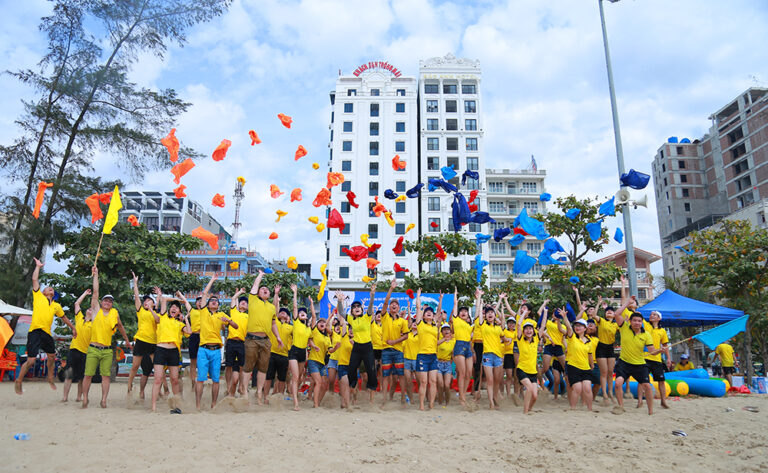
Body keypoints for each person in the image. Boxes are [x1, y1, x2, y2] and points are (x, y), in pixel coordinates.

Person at [16, 258, 76, 395]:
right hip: (35, 331)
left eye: (52, 288)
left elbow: (64, 317)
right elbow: (34, 280)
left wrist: (73, 328)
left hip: (46, 333)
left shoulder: (56, 305)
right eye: (48, 287)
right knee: (31, 360)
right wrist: (38, 266)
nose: (50, 288)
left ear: (53, 294)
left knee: (52, 356)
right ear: (43, 292)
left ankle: (50, 378)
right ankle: (19, 381)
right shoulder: (38, 297)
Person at [82, 266, 132, 408]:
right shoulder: (96, 310)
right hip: (93, 348)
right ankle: (85, 398)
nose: (107, 302)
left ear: (112, 304)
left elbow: (121, 326)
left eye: (110, 301)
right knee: (88, 375)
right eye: (106, 300)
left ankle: (104, 400)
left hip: (107, 350)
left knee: (106, 376)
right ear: (102, 302)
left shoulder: (114, 313)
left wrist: (127, 340)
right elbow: (96, 292)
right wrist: (96, 274)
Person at [612, 297, 664, 415]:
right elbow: (616, 314)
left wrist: (659, 350)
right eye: (634, 320)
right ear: (630, 321)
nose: (637, 323)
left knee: (647, 386)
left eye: (639, 321)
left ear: (642, 323)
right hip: (624, 363)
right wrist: (627, 303)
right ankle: (620, 406)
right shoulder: (624, 327)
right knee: (618, 383)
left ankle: (650, 411)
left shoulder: (646, 335)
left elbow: (652, 351)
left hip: (639, 364)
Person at [195, 275, 237, 410]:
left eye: (216, 301)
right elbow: (204, 294)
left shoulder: (221, 315)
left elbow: (235, 326)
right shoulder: (203, 312)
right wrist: (212, 280)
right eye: (211, 300)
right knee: (200, 378)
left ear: (218, 305)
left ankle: (213, 404)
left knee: (216, 380)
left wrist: (228, 321)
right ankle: (198, 405)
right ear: (207, 304)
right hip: (203, 349)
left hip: (216, 350)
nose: (213, 301)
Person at [244, 270, 283, 405]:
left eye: (267, 289)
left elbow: (273, 323)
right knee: (248, 367)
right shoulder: (253, 300)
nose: (265, 290)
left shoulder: (271, 307)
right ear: (258, 293)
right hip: (252, 338)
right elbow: (255, 287)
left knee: (263, 368)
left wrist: (278, 337)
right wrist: (260, 275)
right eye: (262, 289)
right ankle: (244, 393)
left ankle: (259, 393)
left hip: (266, 341)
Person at [150, 290, 191, 413]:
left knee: (174, 379)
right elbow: (163, 300)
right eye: (172, 307)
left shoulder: (179, 324)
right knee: (158, 379)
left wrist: (186, 319)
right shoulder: (162, 317)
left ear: (179, 312)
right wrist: (178, 301)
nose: (174, 309)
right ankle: (153, 407)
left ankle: (177, 406)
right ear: (169, 310)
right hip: (161, 349)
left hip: (173, 352)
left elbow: (189, 332)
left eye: (177, 308)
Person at [476, 289, 511, 410]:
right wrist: (480, 299)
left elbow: (504, 337)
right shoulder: (483, 325)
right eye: (488, 313)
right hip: (487, 356)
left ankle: (495, 399)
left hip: (498, 356)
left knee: (497, 380)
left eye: (492, 313)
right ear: (485, 315)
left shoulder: (498, 328)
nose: (490, 314)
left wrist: (508, 340)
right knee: (490, 380)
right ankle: (490, 402)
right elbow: (480, 312)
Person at [343, 285, 378, 404]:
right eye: (354, 307)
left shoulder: (367, 317)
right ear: (352, 311)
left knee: (371, 372)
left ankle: (371, 401)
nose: (357, 308)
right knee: (351, 371)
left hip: (367, 347)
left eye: (358, 307)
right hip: (357, 347)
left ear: (362, 310)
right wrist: (339, 300)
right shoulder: (351, 319)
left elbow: (370, 307)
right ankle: (354, 398)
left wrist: (372, 294)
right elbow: (341, 312)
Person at [127, 271, 158, 400]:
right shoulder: (140, 311)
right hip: (140, 340)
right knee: (134, 366)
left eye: (149, 300)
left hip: (152, 343)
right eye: (145, 300)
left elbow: (157, 320)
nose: (146, 301)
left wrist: (151, 308)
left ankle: (157, 392)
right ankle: (129, 388)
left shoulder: (156, 313)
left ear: (154, 304)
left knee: (156, 369)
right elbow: (136, 296)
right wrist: (135, 283)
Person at [380, 279, 411, 406]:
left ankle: (403, 397)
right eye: (392, 304)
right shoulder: (384, 316)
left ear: (398, 308)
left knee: (401, 375)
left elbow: (406, 336)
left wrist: (394, 341)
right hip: (386, 350)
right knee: (386, 376)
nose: (393, 305)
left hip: (398, 351)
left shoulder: (403, 321)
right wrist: (391, 289)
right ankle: (384, 399)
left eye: (396, 304)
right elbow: (386, 302)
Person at [285, 284, 315, 411]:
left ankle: (295, 393)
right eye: (300, 313)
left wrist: (312, 303)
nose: (302, 313)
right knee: (296, 377)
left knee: (301, 377)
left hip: (303, 353)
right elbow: (295, 307)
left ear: (306, 316)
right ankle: (295, 403)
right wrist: (295, 293)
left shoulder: (308, 329)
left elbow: (314, 317)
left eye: (304, 313)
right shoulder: (296, 322)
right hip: (294, 351)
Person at [61, 289, 93, 403]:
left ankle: (79, 397)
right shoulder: (79, 318)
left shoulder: (94, 324)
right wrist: (85, 294)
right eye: (88, 308)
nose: (90, 309)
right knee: (69, 375)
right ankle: (65, 397)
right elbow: (76, 304)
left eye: (92, 309)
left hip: (85, 353)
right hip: (74, 350)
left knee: (81, 378)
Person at [414, 289, 442, 410]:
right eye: (427, 312)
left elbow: (439, 312)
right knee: (424, 382)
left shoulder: (435, 324)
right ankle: (421, 404)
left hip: (433, 356)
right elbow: (418, 308)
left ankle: (431, 404)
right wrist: (418, 296)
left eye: (431, 311)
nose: (429, 313)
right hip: (422, 356)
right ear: (423, 315)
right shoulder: (420, 324)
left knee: (433, 382)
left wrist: (440, 300)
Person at [560, 313, 594, 411]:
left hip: (585, 367)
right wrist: (564, 316)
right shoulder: (572, 337)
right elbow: (568, 327)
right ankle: (573, 408)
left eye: (580, 326)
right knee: (577, 388)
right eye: (576, 326)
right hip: (573, 367)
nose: (577, 327)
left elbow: (590, 354)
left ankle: (590, 409)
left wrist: (591, 365)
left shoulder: (589, 341)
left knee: (587, 388)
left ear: (585, 328)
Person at [516, 310, 545, 414]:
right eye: (526, 329)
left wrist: (545, 312)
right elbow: (519, 324)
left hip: (533, 372)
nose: (528, 330)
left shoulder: (536, 339)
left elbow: (542, 326)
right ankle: (525, 412)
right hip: (522, 369)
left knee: (535, 396)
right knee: (528, 388)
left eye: (530, 328)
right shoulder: (520, 340)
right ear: (524, 331)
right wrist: (524, 313)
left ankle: (529, 409)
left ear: (533, 331)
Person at [640, 310, 670, 409]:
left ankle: (663, 401)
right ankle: (640, 401)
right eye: (651, 314)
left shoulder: (662, 331)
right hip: (645, 357)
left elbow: (665, 346)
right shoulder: (646, 325)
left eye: (654, 315)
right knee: (642, 380)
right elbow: (638, 314)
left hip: (657, 359)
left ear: (659, 318)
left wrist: (668, 358)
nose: (651, 316)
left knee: (661, 381)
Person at [449, 286, 474, 406]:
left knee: (469, 373)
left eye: (466, 311)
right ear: (458, 314)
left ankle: (463, 393)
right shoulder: (456, 321)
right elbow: (454, 306)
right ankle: (462, 398)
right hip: (459, 345)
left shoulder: (470, 326)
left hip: (468, 347)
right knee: (462, 372)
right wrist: (455, 295)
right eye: (461, 311)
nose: (463, 312)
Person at [264, 302, 292, 398]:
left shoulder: (291, 327)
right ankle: (266, 397)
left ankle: (280, 398)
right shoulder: (274, 322)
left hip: (284, 355)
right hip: (271, 353)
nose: (283, 312)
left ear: (288, 316)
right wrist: (276, 295)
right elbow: (275, 307)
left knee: (282, 379)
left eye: (286, 312)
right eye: (281, 312)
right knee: (268, 377)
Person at [306, 298, 331, 408]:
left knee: (325, 385)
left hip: (322, 364)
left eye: (324, 323)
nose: (322, 323)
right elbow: (314, 316)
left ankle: (317, 403)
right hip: (313, 361)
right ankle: (315, 404)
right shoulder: (314, 331)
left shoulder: (327, 338)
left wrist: (336, 348)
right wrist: (312, 303)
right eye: (320, 322)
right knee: (318, 382)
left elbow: (330, 351)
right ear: (317, 324)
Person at [540, 298, 566, 401]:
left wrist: (559, 319)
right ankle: (535, 378)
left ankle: (563, 393)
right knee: (545, 368)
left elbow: (562, 333)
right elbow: (539, 313)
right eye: (555, 313)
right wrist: (545, 303)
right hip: (549, 346)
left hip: (559, 347)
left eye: (558, 313)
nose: (556, 315)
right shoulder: (549, 324)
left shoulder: (562, 325)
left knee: (566, 369)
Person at [225, 288, 249, 397]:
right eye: (242, 301)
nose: (244, 302)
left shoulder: (249, 316)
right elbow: (233, 298)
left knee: (241, 366)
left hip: (242, 343)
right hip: (231, 341)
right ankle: (228, 387)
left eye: (246, 302)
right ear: (238, 304)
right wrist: (240, 292)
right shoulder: (233, 311)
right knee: (228, 365)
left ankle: (240, 387)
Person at [187, 296, 203, 391]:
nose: (200, 302)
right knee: (193, 361)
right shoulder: (192, 311)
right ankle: (193, 382)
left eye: (202, 301)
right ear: (196, 303)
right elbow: (185, 302)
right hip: (194, 336)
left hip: (204, 337)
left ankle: (200, 382)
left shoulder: (207, 312)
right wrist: (180, 295)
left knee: (202, 361)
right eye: (198, 301)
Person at [436, 322, 455, 406]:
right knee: (440, 384)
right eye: (444, 330)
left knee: (447, 385)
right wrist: (444, 339)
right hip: (438, 363)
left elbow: (453, 353)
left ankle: (447, 402)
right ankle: (440, 401)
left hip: (447, 364)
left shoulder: (453, 341)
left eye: (448, 329)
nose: (446, 331)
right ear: (441, 332)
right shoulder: (439, 338)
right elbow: (435, 343)